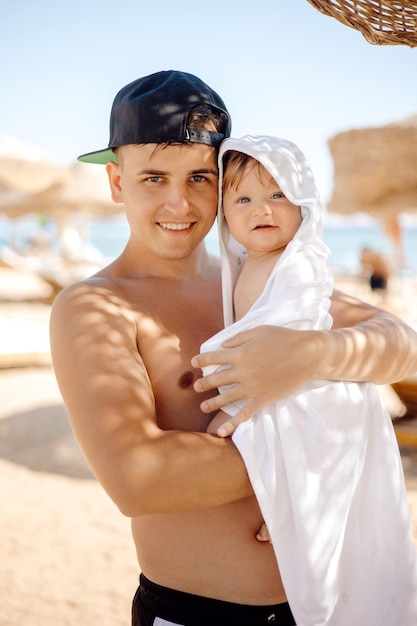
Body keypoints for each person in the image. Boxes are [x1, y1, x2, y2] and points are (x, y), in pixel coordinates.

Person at [49, 70, 417, 626]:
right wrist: (308, 450)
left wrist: (313, 357)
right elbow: (139, 478)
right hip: (198, 613)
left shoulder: (261, 277)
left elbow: (401, 345)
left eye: (199, 176)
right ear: (117, 181)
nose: (180, 202)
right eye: (153, 177)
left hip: (319, 600)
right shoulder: (96, 307)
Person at [200, 135, 417, 625]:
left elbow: (287, 364)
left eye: (279, 195)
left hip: (314, 398)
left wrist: (241, 414)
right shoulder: (243, 266)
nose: (263, 209)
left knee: (309, 497)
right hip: (288, 389)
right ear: (224, 214)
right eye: (243, 199)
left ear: (304, 203)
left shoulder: (297, 265)